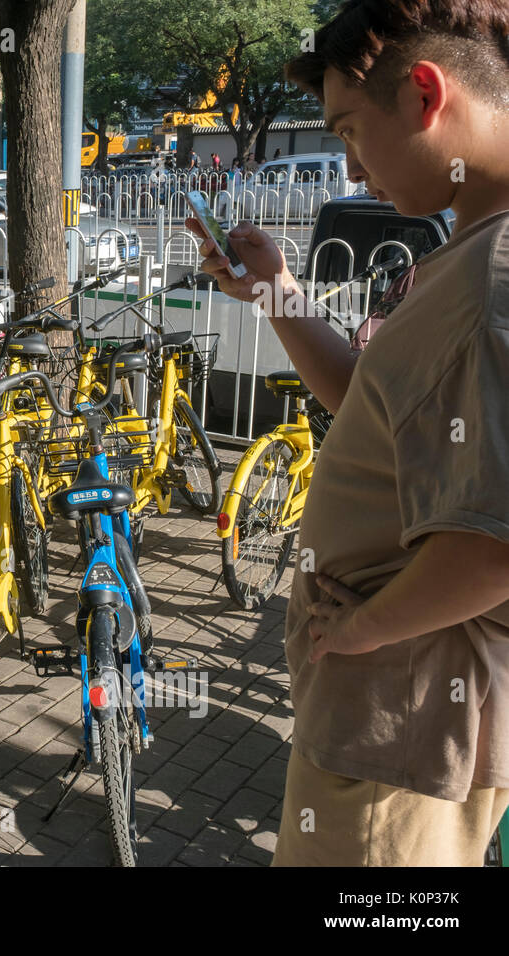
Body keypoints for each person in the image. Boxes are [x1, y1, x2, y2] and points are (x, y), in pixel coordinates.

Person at [186, 0, 509, 867]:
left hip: (396, 722)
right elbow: (374, 402)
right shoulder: (470, 249)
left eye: (351, 131)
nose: (351, 168)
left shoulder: (491, 280)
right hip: (391, 715)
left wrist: (363, 633)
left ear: (425, 95)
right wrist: (278, 294)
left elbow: (493, 547)